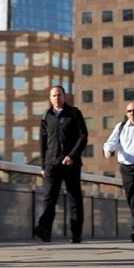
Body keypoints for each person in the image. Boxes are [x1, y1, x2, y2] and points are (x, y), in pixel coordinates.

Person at [34, 85, 88, 244]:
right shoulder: (46, 116)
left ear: (64, 96)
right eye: (53, 95)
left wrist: (72, 155)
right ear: (50, 98)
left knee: (74, 199)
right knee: (49, 199)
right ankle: (44, 231)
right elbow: (43, 143)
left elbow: (83, 137)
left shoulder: (74, 113)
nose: (56, 98)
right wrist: (43, 166)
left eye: (59, 95)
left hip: (71, 164)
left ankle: (76, 234)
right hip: (52, 164)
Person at [103, 101, 134, 242]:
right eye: (129, 111)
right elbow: (111, 141)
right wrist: (108, 150)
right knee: (131, 198)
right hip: (126, 168)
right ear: (126, 113)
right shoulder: (121, 126)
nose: (132, 113)